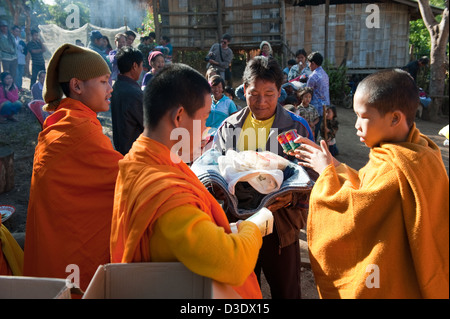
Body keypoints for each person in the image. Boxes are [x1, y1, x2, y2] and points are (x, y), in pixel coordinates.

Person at [110, 63, 263, 299]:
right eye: (203, 119)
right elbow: (234, 262)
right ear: (179, 116)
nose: (204, 131)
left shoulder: (137, 159)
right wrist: (254, 226)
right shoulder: (167, 197)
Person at [294, 69, 449, 299]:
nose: (356, 124)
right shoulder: (422, 150)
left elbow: (355, 211)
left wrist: (326, 174)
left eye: (363, 117)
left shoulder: (393, 168)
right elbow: (368, 188)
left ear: (395, 118)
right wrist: (334, 165)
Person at [23, 43, 123, 293]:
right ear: (77, 86)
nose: (110, 88)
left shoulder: (61, 124)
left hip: (50, 257)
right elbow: (124, 178)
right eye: (103, 81)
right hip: (71, 260)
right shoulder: (79, 130)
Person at [213, 56, 314, 299]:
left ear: (280, 92)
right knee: (242, 291)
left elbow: (313, 176)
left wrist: (289, 200)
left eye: (269, 94)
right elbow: (214, 168)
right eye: (254, 93)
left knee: (286, 290)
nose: (261, 101)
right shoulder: (229, 127)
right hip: (237, 225)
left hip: (280, 226)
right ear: (243, 90)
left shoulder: (295, 127)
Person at [111, 47, 144, 155]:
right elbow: (148, 125)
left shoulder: (117, 86)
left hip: (121, 147)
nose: (142, 69)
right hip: (135, 151)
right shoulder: (134, 93)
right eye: (141, 65)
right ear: (135, 66)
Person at [306, 51, 330, 139]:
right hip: (325, 106)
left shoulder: (313, 76)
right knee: (323, 130)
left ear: (313, 63)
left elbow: (308, 91)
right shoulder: (324, 74)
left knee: (313, 131)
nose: (308, 66)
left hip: (315, 108)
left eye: (309, 63)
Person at [11, 25, 27, 91]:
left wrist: (23, 55)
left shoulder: (21, 41)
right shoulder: (10, 39)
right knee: (16, 74)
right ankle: (14, 87)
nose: (17, 32)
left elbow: (25, 50)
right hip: (13, 59)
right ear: (12, 31)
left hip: (21, 60)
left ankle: (19, 87)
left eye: (18, 31)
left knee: (20, 74)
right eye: (16, 31)